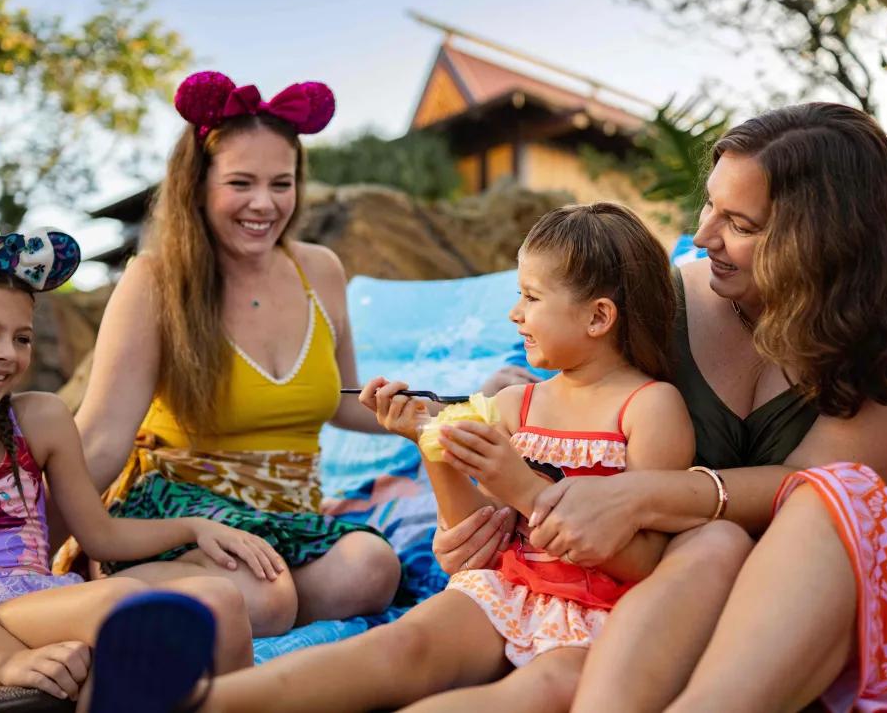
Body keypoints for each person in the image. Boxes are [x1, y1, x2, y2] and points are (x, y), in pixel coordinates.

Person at [96, 201, 699, 712]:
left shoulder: (649, 410)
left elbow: (651, 562)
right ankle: (197, 701)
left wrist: (523, 486)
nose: (515, 314)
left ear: (599, 316)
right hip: (507, 590)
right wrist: (428, 443)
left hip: (600, 618)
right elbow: (474, 538)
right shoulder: (517, 404)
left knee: (539, 690)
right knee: (401, 646)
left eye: (531, 297)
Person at [435, 102, 887, 712]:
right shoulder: (673, 301)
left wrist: (641, 495)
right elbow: (564, 387)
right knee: (701, 553)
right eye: (709, 203)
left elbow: (815, 490)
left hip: (800, 600)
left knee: (765, 526)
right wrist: (481, 511)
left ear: (823, 244)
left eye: (741, 224)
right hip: (654, 585)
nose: (704, 235)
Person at [53, 70, 401, 635]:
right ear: (198, 184)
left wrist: (458, 408)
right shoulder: (155, 280)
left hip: (289, 511)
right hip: (182, 510)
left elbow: (344, 400)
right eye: (240, 183)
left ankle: (230, 608)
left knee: (371, 569)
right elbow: (96, 439)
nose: (264, 204)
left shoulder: (321, 270)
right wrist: (19, 548)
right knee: (264, 596)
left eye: (281, 184)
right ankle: (89, 593)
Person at [0, 213, 276, 703]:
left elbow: (101, 534)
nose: (7, 353)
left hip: (41, 599)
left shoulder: (41, 419)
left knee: (220, 598)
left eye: (22, 338)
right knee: (119, 605)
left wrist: (196, 527)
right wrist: (10, 660)